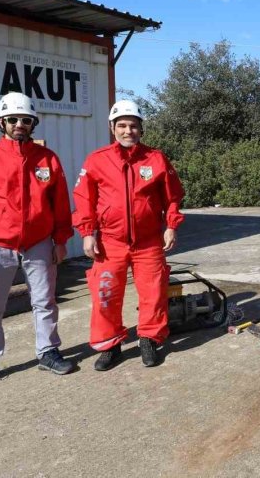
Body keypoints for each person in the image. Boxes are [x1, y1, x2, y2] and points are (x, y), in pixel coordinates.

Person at [0, 92, 75, 391]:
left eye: (25, 119)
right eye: (12, 119)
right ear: (2, 122)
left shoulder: (47, 158)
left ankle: (48, 352)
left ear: (33, 123)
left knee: (45, 302)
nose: (19, 124)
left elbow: (60, 203)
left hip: (39, 244)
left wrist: (60, 240)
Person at [73, 100, 185, 371]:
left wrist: (171, 225)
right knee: (106, 294)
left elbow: (173, 196)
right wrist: (87, 233)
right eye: (121, 126)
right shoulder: (96, 160)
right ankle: (110, 345)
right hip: (110, 242)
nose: (127, 131)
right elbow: (84, 199)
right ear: (112, 128)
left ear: (141, 129)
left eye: (133, 126)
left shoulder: (155, 158)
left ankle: (149, 340)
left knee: (154, 294)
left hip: (149, 242)